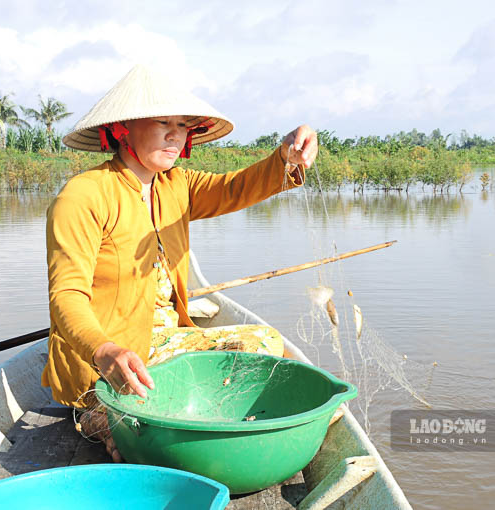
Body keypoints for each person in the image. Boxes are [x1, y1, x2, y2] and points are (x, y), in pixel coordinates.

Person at [41, 64, 318, 461]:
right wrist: (103, 351)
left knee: (267, 344)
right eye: (162, 122)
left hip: (166, 344)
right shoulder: (83, 196)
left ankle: (148, 421)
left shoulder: (177, 186)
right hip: (110, 362)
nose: (176, 134)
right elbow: (66, 296)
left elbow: (238, 187)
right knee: (254, 355)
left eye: (184, 125)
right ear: (122, 128)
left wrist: (285, 157)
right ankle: (105, 415)